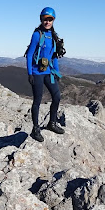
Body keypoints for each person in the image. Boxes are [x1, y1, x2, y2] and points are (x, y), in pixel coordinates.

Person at [26, 7, 65, 142]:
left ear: (53, 20)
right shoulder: (37, 34)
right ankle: (35, 129)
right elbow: (30, 54)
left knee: (57, 96)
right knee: (37, 100)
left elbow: (54, 56)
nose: (47, 22)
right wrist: (30, 73)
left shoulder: (53, 36)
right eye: (45, 19)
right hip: (37, 72)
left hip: (49, 72)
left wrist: (57, 73)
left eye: (50, 19)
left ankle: (51, 123)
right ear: (41, 19)